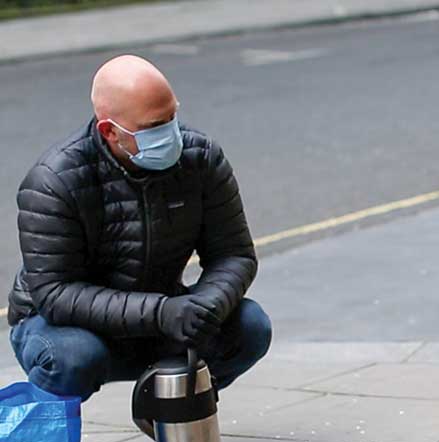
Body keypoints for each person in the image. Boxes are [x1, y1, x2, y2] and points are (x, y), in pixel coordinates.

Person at [7, 55, 271, 411]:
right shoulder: (54, 181)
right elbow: (54, 295)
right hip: (67, 328)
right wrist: (161, 312)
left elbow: (234, 254)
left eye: (172, 117)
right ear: (109, 131)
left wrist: (205, 306)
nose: (170, 134)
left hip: (160, 314)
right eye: (154, 126)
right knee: (72, 357)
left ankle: (163, 410)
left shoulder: (200, 157)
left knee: (250, 327)